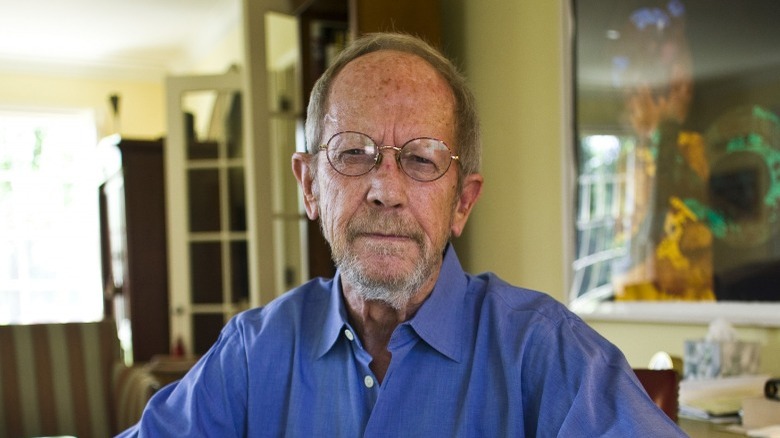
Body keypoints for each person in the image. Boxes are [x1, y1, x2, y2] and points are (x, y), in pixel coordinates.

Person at [118, 32, 684, 436]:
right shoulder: (252, 353)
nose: (385, 188)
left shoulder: (544, 352)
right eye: (354, 153)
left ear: (462, 201)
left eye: (420, 159)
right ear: (310, 185)